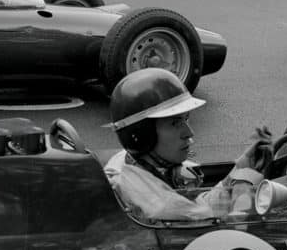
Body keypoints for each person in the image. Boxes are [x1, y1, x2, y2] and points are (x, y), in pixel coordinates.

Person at [104, 69, 274, 222]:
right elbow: (233, 228)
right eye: (174, 123)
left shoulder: (128, 162)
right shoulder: (164, 208)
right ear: (142, 134)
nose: (189, 132)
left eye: (185, 119)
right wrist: (245, 181)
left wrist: (241, 166)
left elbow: (202, 207)